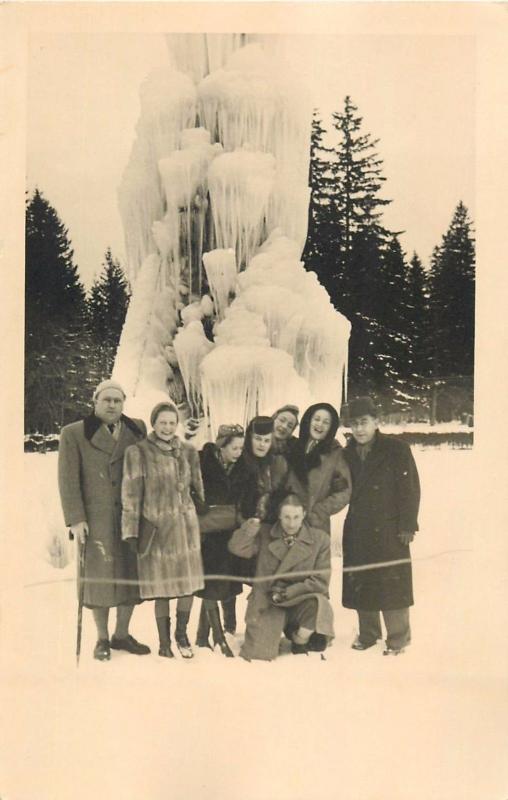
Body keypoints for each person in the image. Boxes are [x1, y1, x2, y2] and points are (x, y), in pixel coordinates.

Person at [58, 379, 150, 662]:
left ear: (124, 403)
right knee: (99, 578)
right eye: (106, 400)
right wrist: (75, 518)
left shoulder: (137, 429)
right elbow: (68, 480)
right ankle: (102, 637)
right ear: (95, 402)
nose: (112, 405)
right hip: (96, 518)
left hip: (130, 515)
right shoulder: (74, 433)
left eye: (117, 400)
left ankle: (122, 634)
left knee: (129, 575)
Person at [121, 402, 205, 659]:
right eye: (162, 422)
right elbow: (131, 494)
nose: (167, 427)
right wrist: (131, 531)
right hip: (158, 529)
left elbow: (198, 488)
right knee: (163, 587)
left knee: (188, 586)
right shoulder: (138, 452)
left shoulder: (189, 451)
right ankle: (164, 640)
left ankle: (182, 633)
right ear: (154, 424)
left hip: (186, 529)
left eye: (172, 422)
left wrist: (197, 512)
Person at [341, 396, 421, 655]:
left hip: (389, 528)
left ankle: (398, 639)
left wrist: (407, 525)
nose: (359, 429)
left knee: (392, 582)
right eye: (354, 424)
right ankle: (368, 634)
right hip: (358, 527)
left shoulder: (396, 449)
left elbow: (410, 490)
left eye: (364, 422)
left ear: (377, 422)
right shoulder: (346, 454)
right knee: (362, 579)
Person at [228, 494, 334, 660]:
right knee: (259, 655)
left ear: (304, 515)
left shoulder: (320, 539)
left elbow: (320, 581)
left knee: (319, 606)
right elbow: (237, 548)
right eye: (286, 517)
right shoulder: (264, 533)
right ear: (279, 515)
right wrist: (253, 524)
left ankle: (299, 639)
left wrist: (287, 592)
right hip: (267, 601)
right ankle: (274, 632)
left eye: (296, 517)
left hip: (300, 598)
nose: (291, 523)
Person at [194, 424, 248, 657]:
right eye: (235, 448)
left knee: (226, 580)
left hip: (230, 530)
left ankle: (208, 633)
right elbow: (188, 485)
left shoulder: (240, 467)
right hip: (208, 532)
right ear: (221, 446)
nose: (239, 452)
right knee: (210, 582)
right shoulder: (203, 461)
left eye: (241, 448)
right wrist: (197, 502)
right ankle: (216, 634)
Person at [286, 402, 351, 535]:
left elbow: (344, 492)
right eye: (317, 419)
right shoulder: (293, 447)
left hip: (315, 526)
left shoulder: (335, 453)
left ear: (331, 427)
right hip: (287, 522)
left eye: (326, 422)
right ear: (309, 420)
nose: (320, 425)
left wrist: (319, 511)